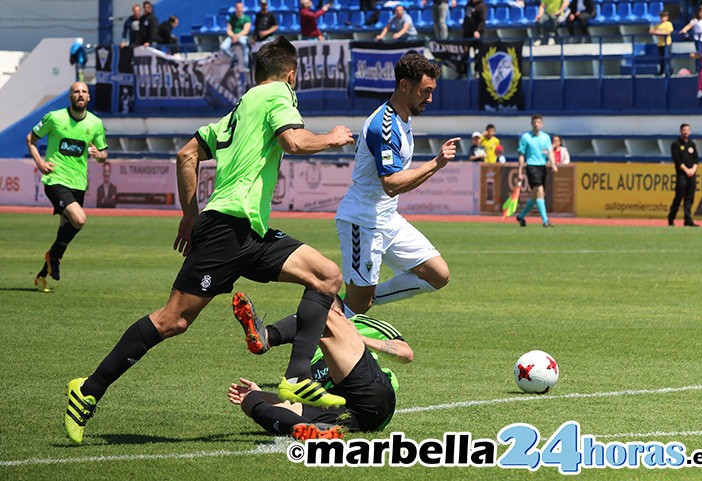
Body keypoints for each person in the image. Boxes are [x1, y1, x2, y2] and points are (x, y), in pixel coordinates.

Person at [62, 37, 356, 445]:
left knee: (326, 276)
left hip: (247, 231)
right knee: (173, 320)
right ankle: (88, 389)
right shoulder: (278, 95)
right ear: (291, 74)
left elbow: (186, 155)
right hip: (227, 233)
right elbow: (294, 141)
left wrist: (189, 215)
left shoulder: (241, 107)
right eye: (295, 78)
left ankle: (296, 378)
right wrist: (333, 137)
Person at [335, 53, 457, 317]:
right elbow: (390, 184)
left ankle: (364, 298)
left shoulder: (404, 119)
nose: (430, 99)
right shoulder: (384, 126)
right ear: (404, 86)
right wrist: (436, 163)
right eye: (425, 91)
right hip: (363, 221)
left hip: (388, 218)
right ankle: (307, 346)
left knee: (438, 274)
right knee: (355, 307)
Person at [228, 292, 412, 439]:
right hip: (346, 414)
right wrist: (261, 393)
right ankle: (306, 429)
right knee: (250, 399)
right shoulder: (306, 345)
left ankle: (267, 336)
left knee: (322, 310)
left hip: (371, 398)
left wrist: (357, 337)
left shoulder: (359, 323)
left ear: (341, 313)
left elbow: (406, 354)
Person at [26, 82, 108, 293]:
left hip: (79, 183)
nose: (80, 94)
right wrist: (40, 163)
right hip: (55, 180)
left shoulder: (95, 123)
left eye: (83, 91)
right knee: (79, 219)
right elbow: (31, 138)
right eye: (76, 91)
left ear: (89, 97)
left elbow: (103, 154)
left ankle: (42, 275)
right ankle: (53, 256)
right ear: (70, 96)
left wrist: (99, 155)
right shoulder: (55, 117)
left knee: (64, 232)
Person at [515, 114, 558, 228]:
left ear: (542, 124)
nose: (536, 124)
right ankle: (545, 221)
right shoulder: (525, 137)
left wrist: (553, 164)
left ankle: (521, 216)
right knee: (539, 191)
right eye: (534, 122)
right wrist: (520, 172)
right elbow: (521, 155)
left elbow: (550, 152)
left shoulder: (546, 137)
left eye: (538, 122)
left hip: (542, 167)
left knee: (536, 196)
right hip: (531, 166)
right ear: (531, 123)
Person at [668, 123, 700, 227]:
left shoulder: (692, 144)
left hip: (692, 174)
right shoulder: (676, 144)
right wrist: (687, 170)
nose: (686, 132)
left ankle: (688, 220)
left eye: (687, 130)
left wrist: (693, 170)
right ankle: (671, 218)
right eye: (684, 130)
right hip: (682, 174)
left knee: (689, 198)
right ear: (680, 131)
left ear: (690, 131)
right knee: (679, 196)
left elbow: (696, 159)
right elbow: (677, 160)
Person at [680, 6, 702, 70]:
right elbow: (688, 26)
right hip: (698, 40)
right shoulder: (695, 21)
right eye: (700, 12)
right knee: (699, 54)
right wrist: (684, 30)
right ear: (698, 13)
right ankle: (699, 68)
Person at [221, 2, 252, 69]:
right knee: (223, 47)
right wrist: (233, 36)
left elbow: (246, 31)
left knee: (244, 43)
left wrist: (237, 36)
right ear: (235, 8)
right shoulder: (232, 18)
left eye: (240, 7)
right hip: (232, 36)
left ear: (242, 8)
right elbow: (228, 29)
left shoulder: (246, 18)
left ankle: (246, 64)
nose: (239, 9)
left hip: (242, 36)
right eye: (238, 8)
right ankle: (233, 59)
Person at [650, 11, 673, 77]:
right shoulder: (658, 24)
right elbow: (652, 31)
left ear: (667, 17)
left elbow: (668, 32)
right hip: (660, 44)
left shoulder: (668, 24)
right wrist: (658, 32)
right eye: (661, 17)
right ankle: (662, 71)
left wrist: (658, 32)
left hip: (667, 44)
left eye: (663, 16)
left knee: (667, 58)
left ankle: (669, 71)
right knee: (661, 58)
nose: (662, 18)